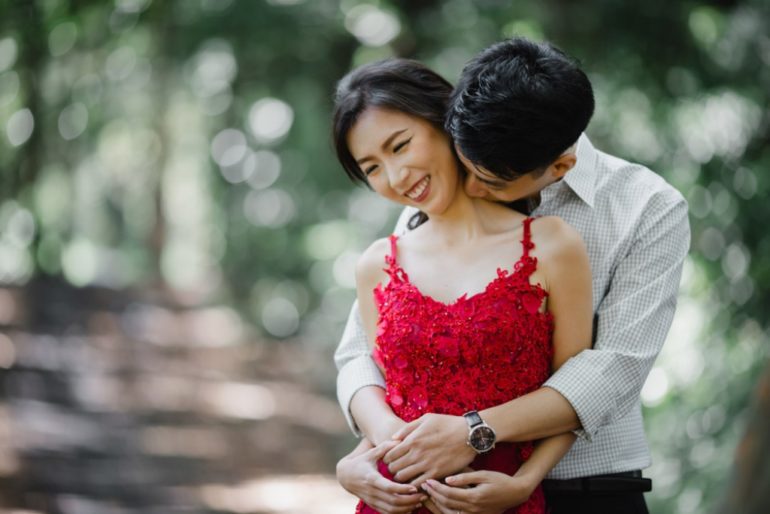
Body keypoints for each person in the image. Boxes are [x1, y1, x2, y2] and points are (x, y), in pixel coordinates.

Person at [335, 37, 690, 514]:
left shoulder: (646, 208)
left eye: (493, 182)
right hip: (432, 486)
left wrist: (479, 436)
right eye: (466, 166)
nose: (473, 187)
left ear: (559, 166)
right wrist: (364, 455)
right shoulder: (441, 186)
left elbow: (613, 369)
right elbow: (368, 352)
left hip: (589, 489)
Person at [332, 57, 594, 514]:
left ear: (444, 120)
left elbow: (573, 392)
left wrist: (526, 482)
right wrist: (353, 466)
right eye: (371, 168)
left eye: (400, 146)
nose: (395, 178)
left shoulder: (553, 245)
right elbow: (390, 397)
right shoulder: (377, 264)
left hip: (500, 501)